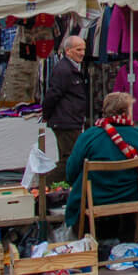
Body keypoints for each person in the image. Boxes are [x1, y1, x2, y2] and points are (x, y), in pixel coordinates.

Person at [64, 92, 138, 234]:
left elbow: (71, 173)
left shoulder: (88, 137)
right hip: (134, 200)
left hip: (94, 201)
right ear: (126, 112)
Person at [42, 35, 88, 182]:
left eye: (83, 49)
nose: (82, 53)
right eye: (78, 49)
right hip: (66, 121)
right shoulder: (64, 70)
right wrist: (46, 114)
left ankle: (52, 187)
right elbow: (53, 94)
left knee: (69, 157)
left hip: (70, 119)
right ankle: (43, 186)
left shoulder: (70, 68)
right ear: (68, 51)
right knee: (70, 158)